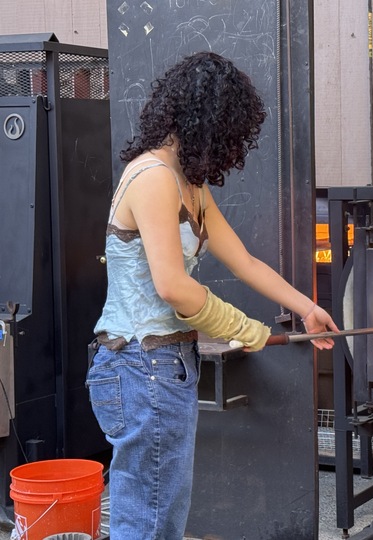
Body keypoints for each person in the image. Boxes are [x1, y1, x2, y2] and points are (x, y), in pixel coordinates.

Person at [86, 51, 338, 540]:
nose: (232, 148)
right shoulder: (153, 178)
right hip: (140, 366)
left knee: (161, 516)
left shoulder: (190, 186)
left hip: (163, 367)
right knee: (148, 522)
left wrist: (306, 308)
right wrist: (250, 331)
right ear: (210, 125)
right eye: (231, 133)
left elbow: (244, 261)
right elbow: (173, 287)